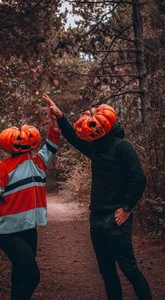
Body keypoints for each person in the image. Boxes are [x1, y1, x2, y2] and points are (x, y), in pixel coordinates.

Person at [43, 93, 152, 300]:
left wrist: (127, 207)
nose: (93, 128)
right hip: (96, 219)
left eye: (97, 124)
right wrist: (60, 116)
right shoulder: (95, 148)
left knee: (129, 269)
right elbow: (74, 138)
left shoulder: (122, 147)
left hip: (117, 219)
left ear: (108, 123)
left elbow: (138, 178)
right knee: (107, 271)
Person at [0, 115, 61, 300]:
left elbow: (52, 143)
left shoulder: (39, 163)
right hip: (10, 234)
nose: (22, 141)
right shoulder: (5, 166)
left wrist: (55, 121)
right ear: (9, 144)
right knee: (32, 276)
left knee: (19, 277)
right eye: (18, 139)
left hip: (29, 231)